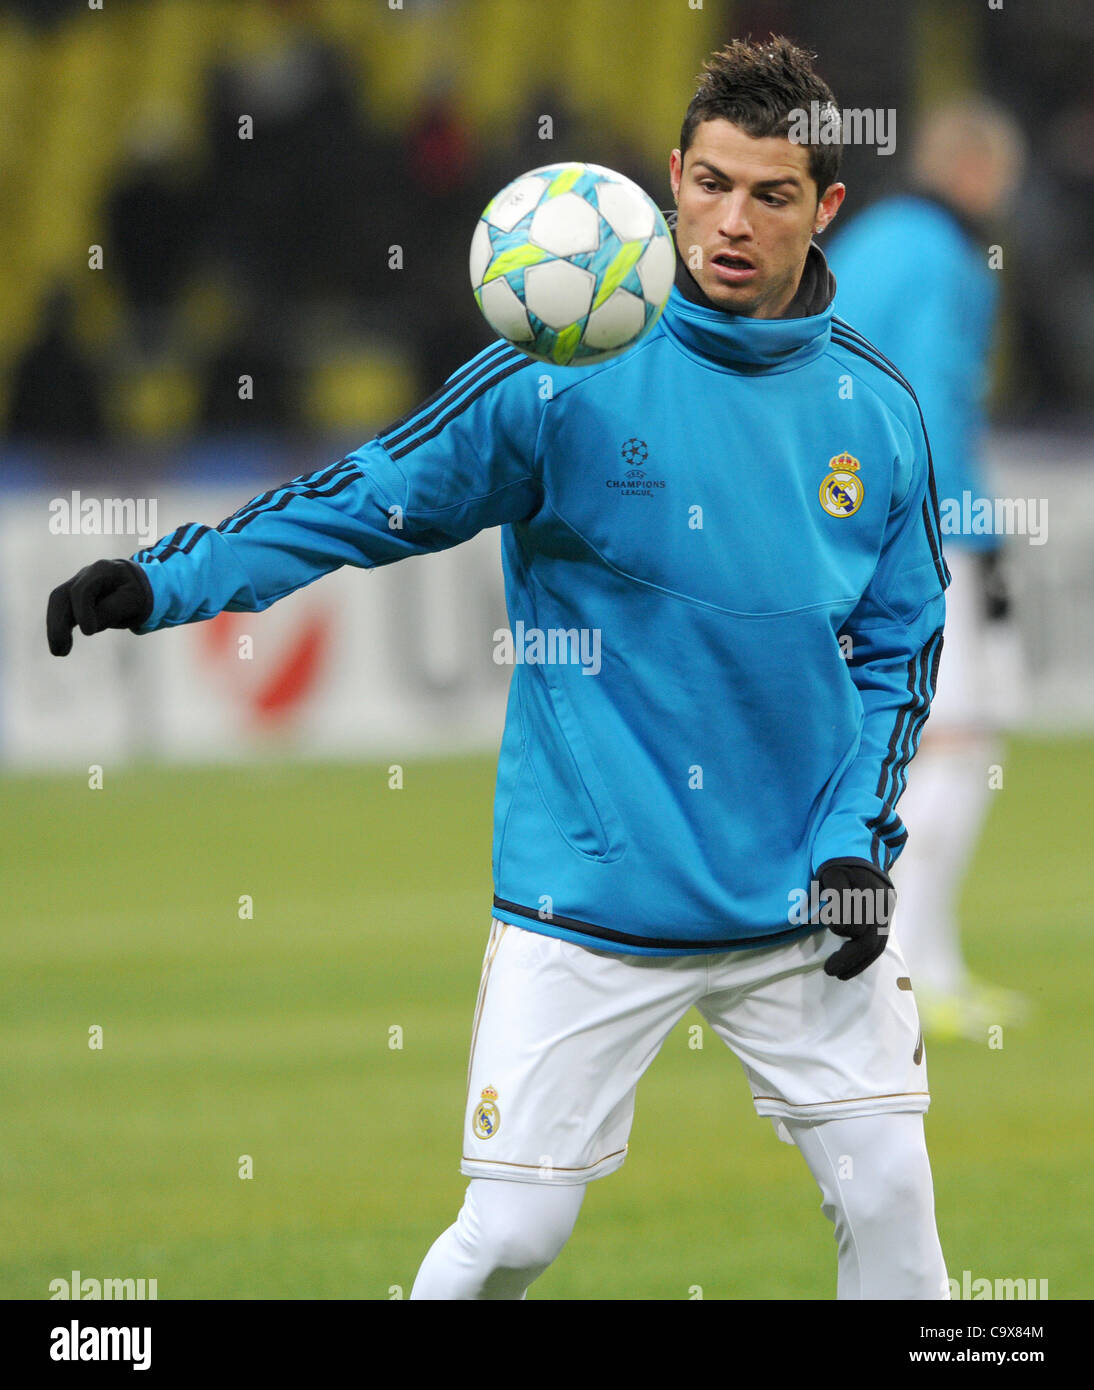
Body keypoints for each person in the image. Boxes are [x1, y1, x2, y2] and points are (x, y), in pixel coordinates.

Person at [47, 38, 950, 1300]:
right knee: (512, 1239)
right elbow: (362, 499)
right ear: (670, 180)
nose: (729, 223)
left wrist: (858, 844)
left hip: (803, 899)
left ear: (825, 208)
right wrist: (165, 580)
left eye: (770, 194)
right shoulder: (564, 366)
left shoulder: (875, 409)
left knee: (897, 1219)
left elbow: (898, 647)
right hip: (589, 899)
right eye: (708, 184)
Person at [826, 98, 1029, 1039]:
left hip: (855, 528)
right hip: (928, 535)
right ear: (980, 171)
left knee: (903, 748)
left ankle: (906, 962)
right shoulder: (949, 258)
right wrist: (974, 543)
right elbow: (939, 405)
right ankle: (915, 971)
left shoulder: (869, 240)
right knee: (959, 744)